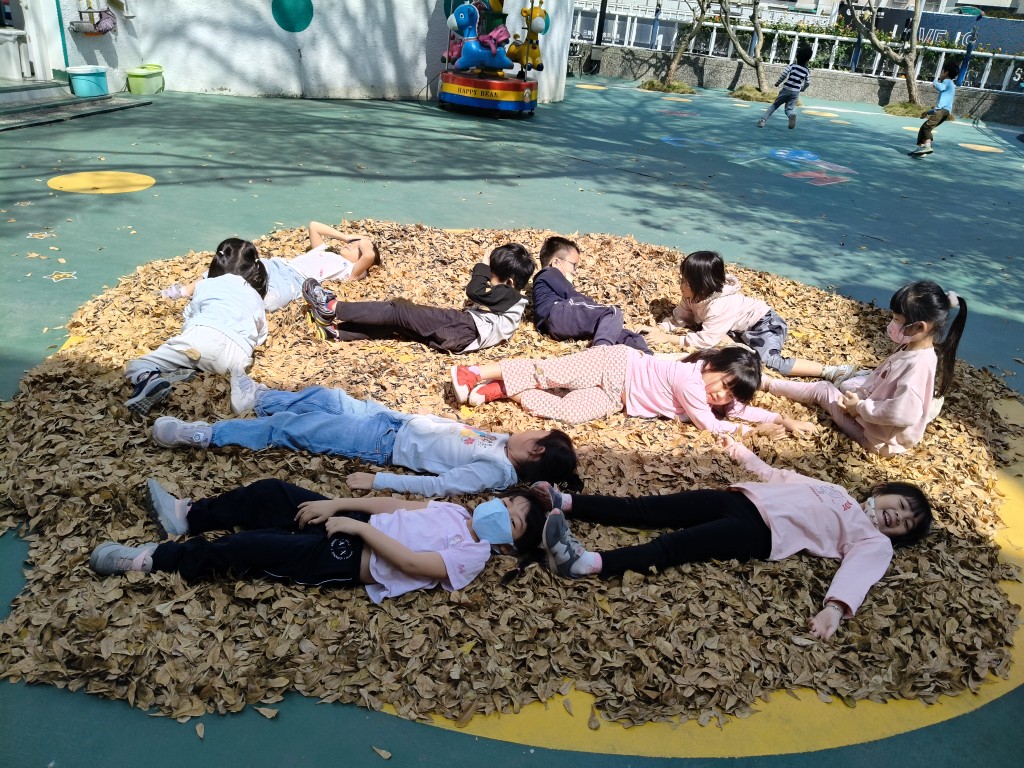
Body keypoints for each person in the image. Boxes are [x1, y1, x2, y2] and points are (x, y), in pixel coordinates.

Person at [535, 435, 933, 641]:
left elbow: (859, 571)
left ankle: (588, 564)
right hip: (740, 499)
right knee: (647, 509)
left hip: (758, 532)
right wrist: (743, 455)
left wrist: (836, 608)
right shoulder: (839, 491)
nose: (899, 517)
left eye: (904, 524)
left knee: (673, 547)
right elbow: (782, 477)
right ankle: (567, 501)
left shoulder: (874, 541)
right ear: (884, 491)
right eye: (902, 505)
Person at [88, 477, 546, 604]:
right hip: (352, 522)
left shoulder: (474, 555)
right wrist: (336, 505)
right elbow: (394, 505)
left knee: (251, 548)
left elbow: (411, 564)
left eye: (512, 522)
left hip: (348, 556)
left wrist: (357, 529)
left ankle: (153, 559)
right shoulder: (456, 512)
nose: (501, 511)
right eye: (508, 503)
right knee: (273, 494)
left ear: (510, 547)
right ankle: (188, 516)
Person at [149, 379, 582, 497]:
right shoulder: (506, 443)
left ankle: (206, 434)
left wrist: (380, 480)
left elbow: (439, 486)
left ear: (536, 449)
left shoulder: (495, 471)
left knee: (294, 429)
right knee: (327, 397)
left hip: (381, 444)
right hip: (392, 420)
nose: (530, 425)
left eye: (538, 430)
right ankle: (260, 398)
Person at [763, 281, 967, 456]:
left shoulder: (918, 366)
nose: (892, 324)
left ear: (920, 326)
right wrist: (860, 399)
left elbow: (903, 413)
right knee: (850, 384)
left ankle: (767, 384)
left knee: (822, 389)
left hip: (876, 440)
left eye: (897, 320)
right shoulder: (913, 347)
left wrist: (859, 407)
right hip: (873, 421)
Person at [450, 345, 817, 436]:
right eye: (722, 384)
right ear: (710, 366)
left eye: (729, 394)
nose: (721, 396)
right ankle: (474, 372)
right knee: (549, 373)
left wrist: (782, 419)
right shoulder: (690, 380)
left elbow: (737, 411)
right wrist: (751, 432)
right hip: (615, 364)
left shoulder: (714, 394)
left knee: (569, 412)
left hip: (617, 397)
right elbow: (710, 425)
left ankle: (504, 389)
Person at [640, 250, 852, 380]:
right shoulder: (692, 295)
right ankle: (737, 342)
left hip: (764, 324)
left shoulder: (720, 305)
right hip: (737, 329)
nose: (680, 285)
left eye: (685, 281)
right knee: (722, 346)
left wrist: (668, 338)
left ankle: (829, 371)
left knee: (768, 362)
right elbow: (681, 317)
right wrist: (660, 329)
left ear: (701, 285)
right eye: (682, 279)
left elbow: (705, 340)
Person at [124, 238, 268, 416]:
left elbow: (189, 318)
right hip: (236, 357)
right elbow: (261, 335)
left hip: (201, 340)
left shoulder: (206, 284)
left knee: (139, 364)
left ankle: (149, 380)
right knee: (226, 368)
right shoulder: (256, 297)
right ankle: (240, 393)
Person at [302, 243, 534, 353]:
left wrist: (481, 266)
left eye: (491, 277)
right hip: (460, 338)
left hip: (462, 327)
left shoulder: (512, 295)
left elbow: (474, 291)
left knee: (398, 310)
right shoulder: (511, 306)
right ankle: (337, 332)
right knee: (398, 325)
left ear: (509, 282)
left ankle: (332, 307)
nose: (487, 283)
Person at [161, 222, 379, 312]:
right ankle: (185, 290)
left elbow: (369, 255)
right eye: (353, 243)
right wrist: (346, 236)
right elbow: (314, 225)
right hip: (278, 265)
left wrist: (365, 242)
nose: (351, 245)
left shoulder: (350, 270)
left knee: (271, 301)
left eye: (356, 248)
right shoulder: (324, 250)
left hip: (294, 282)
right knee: (233, 265)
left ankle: (227, 303)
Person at [531, 235, 649, 352]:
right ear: (556, 262)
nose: (575, 271)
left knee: (625, 334)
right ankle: (600, 353)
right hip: (558, 313)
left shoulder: (546, 280)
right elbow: (571, 294)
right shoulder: (549, 272)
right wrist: (596, 306)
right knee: (612, 312)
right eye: (573, 265)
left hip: (556, 324)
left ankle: (646, 354)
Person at [911, 60, 959, 156]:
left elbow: (940, 88)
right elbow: (940, 108)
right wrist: (928, 112)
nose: (941, 74)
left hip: (942, 111)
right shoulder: (951, 85)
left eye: (942, 71)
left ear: (946, 73)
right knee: (924, 128)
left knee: (927, 127)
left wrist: (935, 81)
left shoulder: (947, 81)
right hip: (945, 112)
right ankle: (922, 149)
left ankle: (927, 146)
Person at [758, 44, 812, 129]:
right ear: (808, 60)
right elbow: (808, 82)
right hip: (795, 92)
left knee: (775, 105)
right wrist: (802, 88)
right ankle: (791, 116)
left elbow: (784, 74)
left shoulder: (792, 66)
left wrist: (778, 83)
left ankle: (762, 121)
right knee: (789, 109)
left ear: (797, 56)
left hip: (786, 90)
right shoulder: (807, 70)